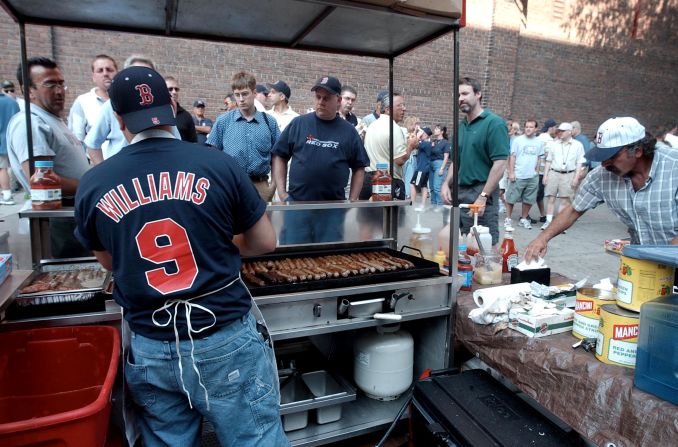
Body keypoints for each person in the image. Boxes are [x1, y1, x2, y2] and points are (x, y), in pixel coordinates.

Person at [73, 66, 287, 447]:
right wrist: (212, 245)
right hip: (223, 336)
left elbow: (109, 263)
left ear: (118, 118)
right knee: (255, 441)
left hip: (151, 345)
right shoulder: (218, 164)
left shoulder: (94, 183)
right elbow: (265, 242)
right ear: (170, 109)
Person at [524, 117, 678, 261]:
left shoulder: (674, 167)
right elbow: (574, 209)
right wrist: (542, 238)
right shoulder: (601, 176)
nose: (604, 164)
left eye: (611, 156)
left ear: (637, 151)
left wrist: (665, 262)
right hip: (641, 260)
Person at [7, 57, 90, 257]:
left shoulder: (51, 120)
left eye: (61, 84)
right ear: (29, 91)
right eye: (50, 84)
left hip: (71, 214)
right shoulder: (31, 123)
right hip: (58, 219)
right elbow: (42, 182)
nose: (60, 91)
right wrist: (91, 184)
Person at [272, 75, 368, 244]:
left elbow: (359, 166)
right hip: (297, 206)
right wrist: (281, 192)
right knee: (293, 258)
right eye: (318, 97)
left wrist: (352, 199)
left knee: (327, 258)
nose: (321, 102)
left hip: (332, 209)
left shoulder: (349, 131)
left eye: (326, 98)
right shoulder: (299, 124)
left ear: (337, 100)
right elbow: (279, 155)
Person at [441, 77, 509, 244]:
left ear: (478, 94)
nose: (460, 98)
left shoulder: (494, 123)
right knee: (457, 245)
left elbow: (500, 164)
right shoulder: (461, 126)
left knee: (482, 247)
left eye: (465, 93)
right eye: (458, 95)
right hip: (459, 192)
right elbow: (456, 161)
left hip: (481, 190)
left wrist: (483, 196)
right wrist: (445, 184)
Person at [207, 71, 280, 201]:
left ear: (254, 93)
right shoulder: (223, 121)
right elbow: (212, 153)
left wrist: (274, 185)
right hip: (231, 185)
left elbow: (277, 156)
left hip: (261, 186)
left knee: (264, 221)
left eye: (245, 94)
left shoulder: (269, 122)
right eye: (237, 95)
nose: (241, 99)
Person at [540, 122, 586, 230]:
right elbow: (548, 160)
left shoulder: (577, 145)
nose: (560, 133)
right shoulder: (554, 144)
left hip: (568, 174)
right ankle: (548, 221)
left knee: (564, 200)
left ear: (569, 132)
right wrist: (545, 175)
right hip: (554, 172)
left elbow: (580, 162)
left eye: (562, 131)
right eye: (559, 130)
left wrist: (576, 177)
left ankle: (558, 224)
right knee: (551, 197)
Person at [68, 54, 118, 149]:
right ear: (93, 77)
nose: (105, 73)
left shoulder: (126, 99)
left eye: (109, 70)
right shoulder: (83, 102)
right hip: (96, 162)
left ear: (117, 73)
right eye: (100, 70)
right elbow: (77, 140)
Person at [505, 119, 544, 229]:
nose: (528, 129)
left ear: (536, 129)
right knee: (511, 198)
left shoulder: (539, 142)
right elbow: (512, 157)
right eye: (526, 126)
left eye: (531, 127)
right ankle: (508, 218)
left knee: (529, 199)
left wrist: (536, 172)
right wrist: (511, 172)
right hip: (519, 174)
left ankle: (524, 218)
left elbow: (539, 158)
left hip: (532, 176)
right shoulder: (518, 141)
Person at [0, 87, 19, 205]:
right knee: (19, 166)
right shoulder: (12, 101)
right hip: (15, 139)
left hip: (1, 141)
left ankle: (7, 195)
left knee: (2, 168)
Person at [165, 76, 197, 142]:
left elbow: (193, 142)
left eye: (176, 89)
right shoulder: (156, 113)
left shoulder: (186, 116)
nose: (174, 92)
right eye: (170, 89)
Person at [410, 127, 433, 211]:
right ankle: (422, 205)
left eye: (422, 133)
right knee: (424, 186)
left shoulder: (425, 143)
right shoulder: (428, 143)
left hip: (421, 168)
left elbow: (414, 144)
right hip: (425, 168)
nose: (421, 133)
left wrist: (417, 134)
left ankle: (412, 203)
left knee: (413, 184)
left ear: (426, 135)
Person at [429, 124, 450, 209]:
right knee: (431, 188)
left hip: (439, 164)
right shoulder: (434, 142)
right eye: (435, 129)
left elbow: (446, 157)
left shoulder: (445, 142)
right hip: (431, 164)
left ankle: (440, 206)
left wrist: (442, 168)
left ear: (442, 132)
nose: (435, 130)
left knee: (437, 187)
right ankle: (433, 206)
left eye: (437, 129)